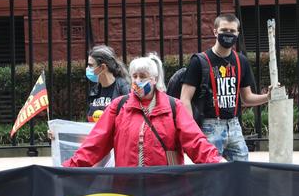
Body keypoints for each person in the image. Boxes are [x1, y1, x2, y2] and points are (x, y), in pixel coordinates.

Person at [64, 53, 222, 167]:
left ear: (153, 79)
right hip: (128, 189)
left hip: (165, 188)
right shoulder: (119, 106)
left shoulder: (174, 107)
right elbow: (94, 144)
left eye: (143, 76)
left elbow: (195, 141)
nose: (138, 81)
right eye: (134, 76)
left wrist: (217, 162)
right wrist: (69, 167)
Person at [179, 13, 269, 161]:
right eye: (224, 30)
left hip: (234, 125)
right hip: (209, 125)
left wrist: (268, 96)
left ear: (238, 33)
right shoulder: (199, 61)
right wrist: (191, 129)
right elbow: (185, 98)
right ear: (215, 31)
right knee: (211, 177)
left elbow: (246, 98)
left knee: (241, 173)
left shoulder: (241, 61)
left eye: (232, 31)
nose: (228, 34)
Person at [85, 45, 130, 123]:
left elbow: (128, 120)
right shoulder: (94, 90)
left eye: (91, 65)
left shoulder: (124, 88)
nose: (87, 69)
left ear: (102, 67)